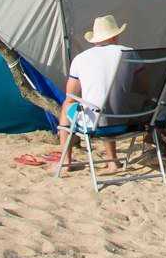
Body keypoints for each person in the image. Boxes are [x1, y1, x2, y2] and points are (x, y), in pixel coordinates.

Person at [56, 14, 134, 174]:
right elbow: (145, 86)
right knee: (109, 103)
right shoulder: (129, 53)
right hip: (131, 120)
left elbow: (70, 96)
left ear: (95, 39)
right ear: (115, 36)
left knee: (67, 106)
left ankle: (66, 161)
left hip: (97, 123)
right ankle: (113, 161)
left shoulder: (81, 58)